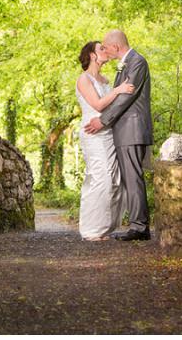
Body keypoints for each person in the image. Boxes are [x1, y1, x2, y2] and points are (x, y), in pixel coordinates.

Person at [84, 30, 153, 241]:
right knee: (129, 179)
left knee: (133, 179)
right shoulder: (127, 63)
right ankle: (137, 224)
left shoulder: (137, 62)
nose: (105, 50)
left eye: (106, 46)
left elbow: (125, 97)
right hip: (125, 130)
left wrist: (102, 121)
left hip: (132, 130)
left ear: (115, 47)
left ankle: (139, 228)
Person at [75, 41, 134, 241]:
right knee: (100, 178)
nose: (105, 50)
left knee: (115, 181)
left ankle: (104, 228)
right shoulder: (84, 79)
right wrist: (119, 90)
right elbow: (99, 105)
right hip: (93, 134)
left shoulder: (105, 79)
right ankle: (90, 230)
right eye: (101, 48)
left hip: (108, 132)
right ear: (92, 55)